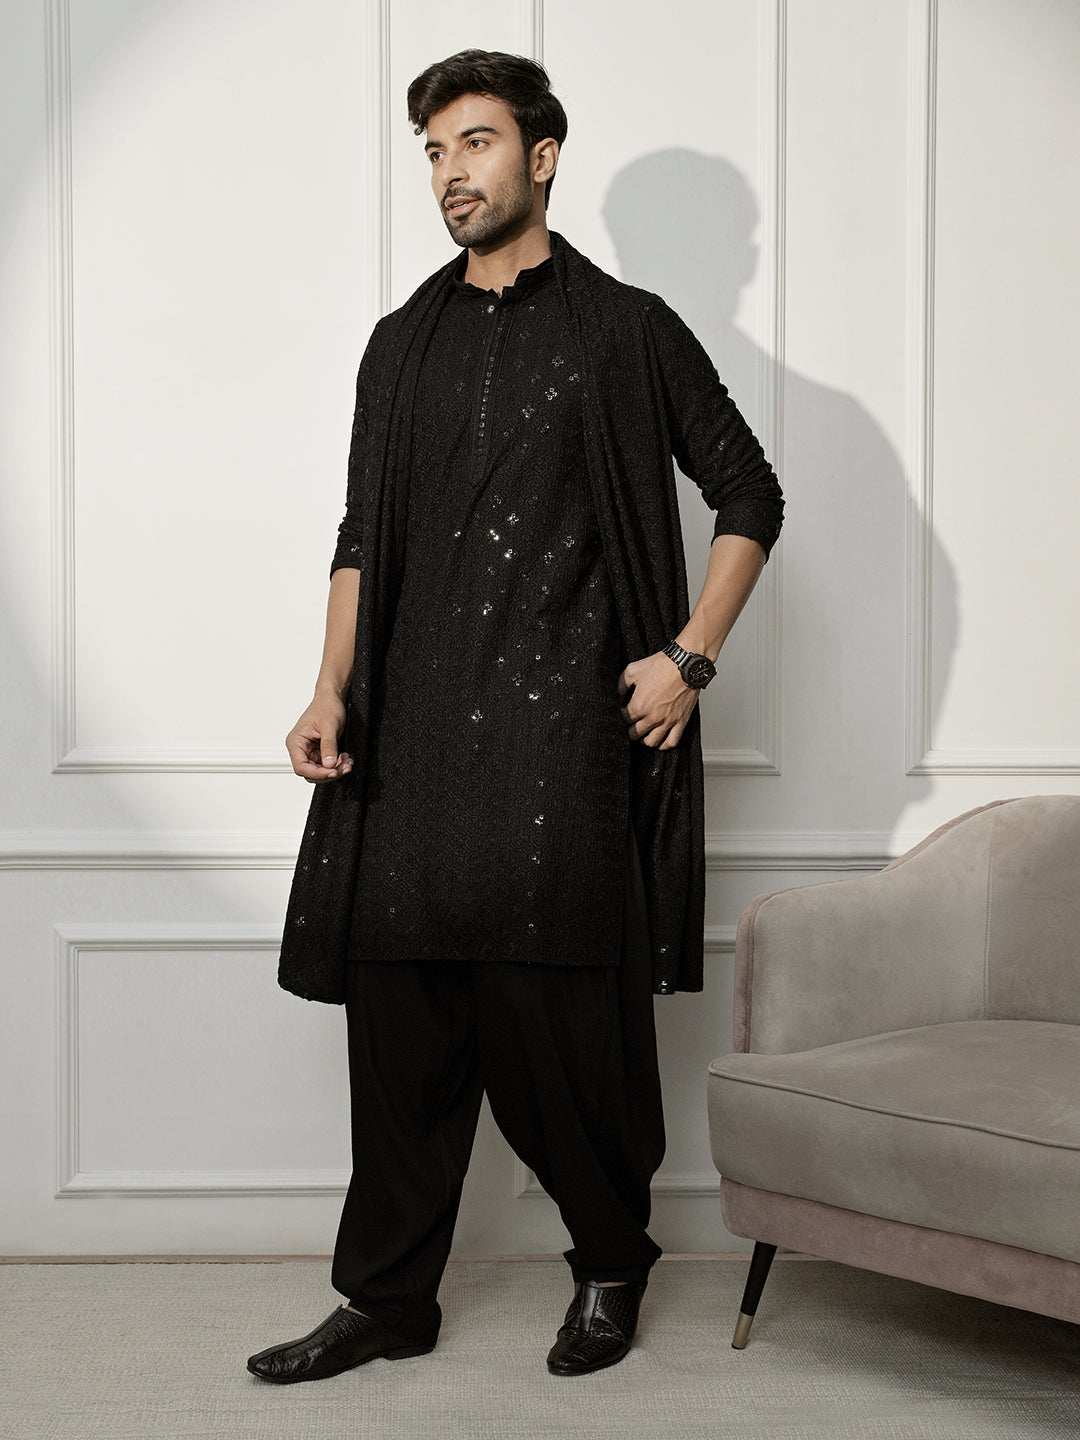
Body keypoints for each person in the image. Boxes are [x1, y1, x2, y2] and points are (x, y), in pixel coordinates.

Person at [247, 49, 783, 1385]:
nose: (451, 173)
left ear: (541, 157)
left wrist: (690, 656)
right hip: (408, 745)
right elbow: (361, 536)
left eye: (475, 143)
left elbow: (750, 493)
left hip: (561, 745)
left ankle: (610, 1263)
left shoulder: (626, 331)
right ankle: (387, 1298)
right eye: (433, 151)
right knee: (402, 1035)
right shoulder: (401, 343)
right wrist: (328, 686)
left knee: (561, 1036)